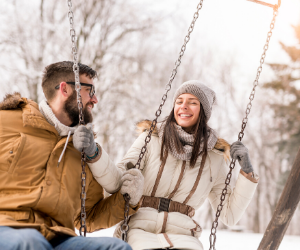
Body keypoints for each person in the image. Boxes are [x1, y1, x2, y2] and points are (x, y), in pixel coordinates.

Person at [91, 80, 259, 250]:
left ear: (204, 112)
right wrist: (94, 154)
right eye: (179, 101)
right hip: (139, 228)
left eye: (192, 102)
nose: (184, 106)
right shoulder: (151, 140)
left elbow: (229, 215)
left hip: (184, 235)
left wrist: (247, 171)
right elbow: (116, 182)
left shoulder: (214, 158)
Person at [0, 61, 144, 250]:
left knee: (117, 247)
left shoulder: (82, 150)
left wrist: (126, 199)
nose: (95, 100)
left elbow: (90, 216)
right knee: (31, 243)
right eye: (90, 91)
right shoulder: (7, 122)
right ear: (65, 89)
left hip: (59, 238)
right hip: (7, 227)